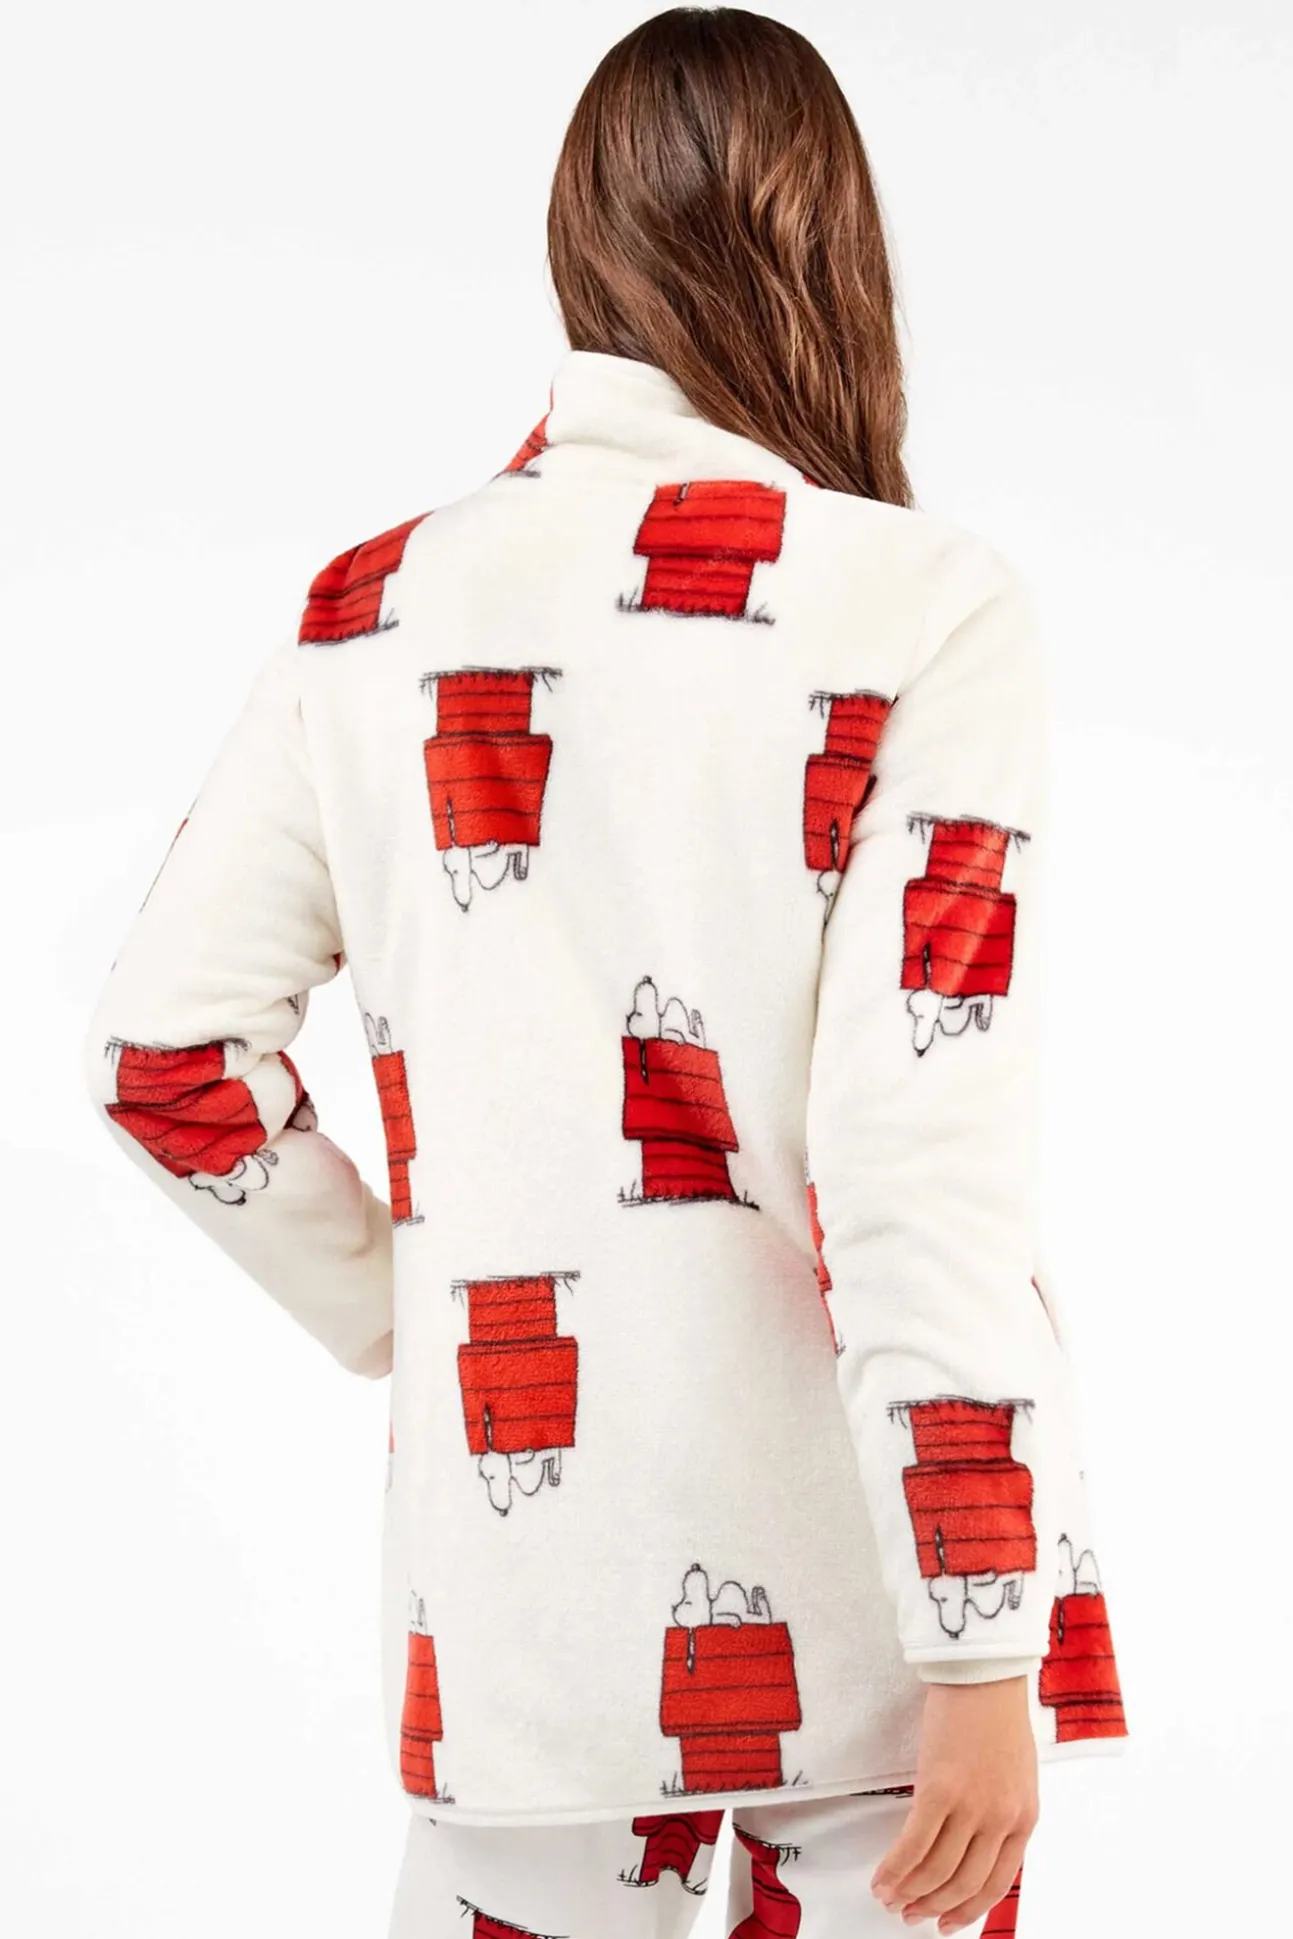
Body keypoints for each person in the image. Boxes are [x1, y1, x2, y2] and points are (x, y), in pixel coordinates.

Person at [80, 8, 1129, 1936]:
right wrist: (984, 1638)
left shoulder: (373, 612)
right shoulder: (926, 607)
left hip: (511, 1635)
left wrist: (407, 1300)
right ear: (830, 253)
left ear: (579, 248)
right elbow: (917, 1156)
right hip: (869, 1648)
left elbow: (163, 1056)